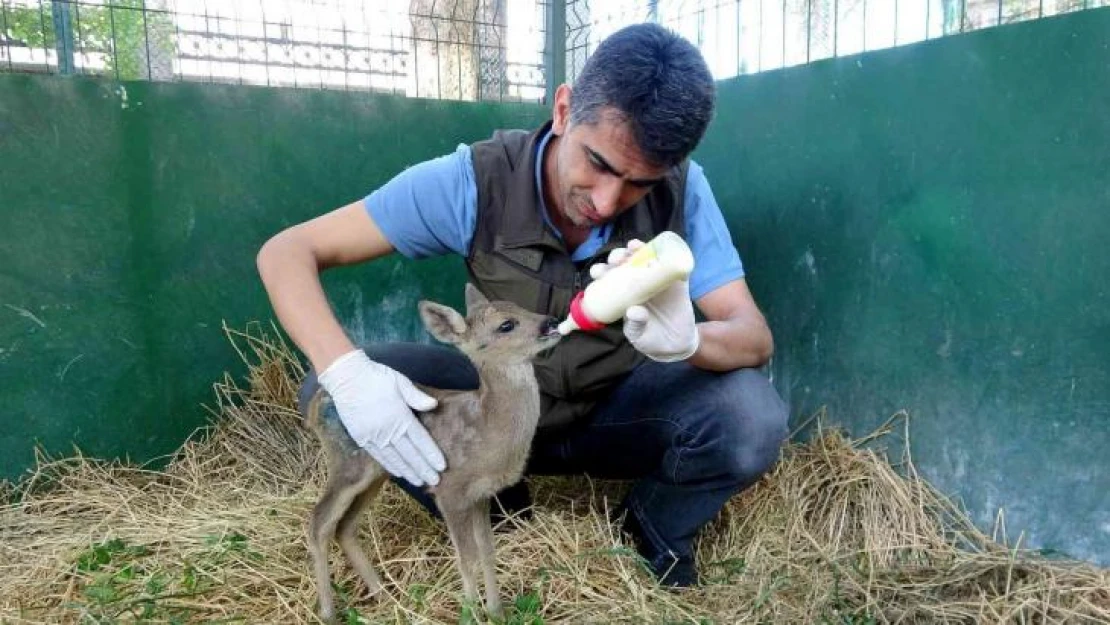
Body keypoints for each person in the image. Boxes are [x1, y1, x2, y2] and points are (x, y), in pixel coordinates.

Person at [256, 23, 789, 587]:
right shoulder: (474, 181)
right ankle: (503, 516)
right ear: (563, 110)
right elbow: (287, 252)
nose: (608, 201)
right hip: (490, 412)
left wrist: (688, 341)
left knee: (751, 418)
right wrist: (348, 373)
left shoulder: (684, 190)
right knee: (329, 388)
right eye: (599, 164)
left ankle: (652, 528)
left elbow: (753, 335)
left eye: (639, 183)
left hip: (613, 409)